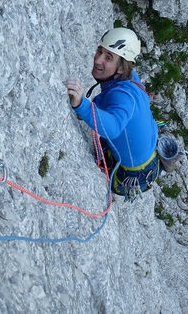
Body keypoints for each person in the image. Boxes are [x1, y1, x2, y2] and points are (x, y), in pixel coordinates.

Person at [63, 27, 161, 201]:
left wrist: (81, 105)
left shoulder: (121, 95)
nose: (98, 59)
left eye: (108, 58)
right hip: (151, 157)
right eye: (100, 51)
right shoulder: (131, 78)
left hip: (132, 176)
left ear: (122, 69)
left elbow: (114, 128)